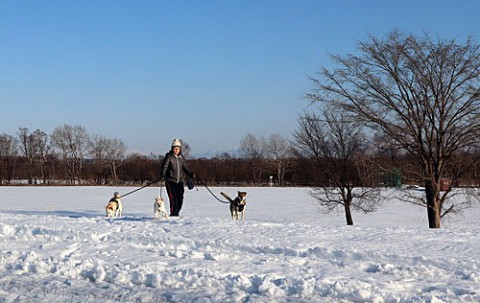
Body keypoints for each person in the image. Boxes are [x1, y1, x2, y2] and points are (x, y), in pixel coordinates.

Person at [161, 139, 194, 216]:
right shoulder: (169, 157)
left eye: (178, 148)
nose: (176, 150)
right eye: (175, 148)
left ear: (180, 149)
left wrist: (191, 173)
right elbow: (165, 166)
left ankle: (176, 213)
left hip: (180, 182)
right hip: (170, 181)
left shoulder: (181, 158)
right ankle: (173, 214)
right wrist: (163, 175)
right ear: (172, 148)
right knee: (174, 199)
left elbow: (185, 168)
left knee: (180, 199)